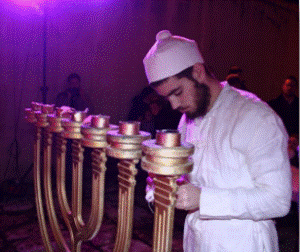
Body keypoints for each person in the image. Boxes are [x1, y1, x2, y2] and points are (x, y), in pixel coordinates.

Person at [143, 30, 292, 252]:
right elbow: (187, 177)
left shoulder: (255, 117)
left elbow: (277, 200)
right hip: (196, 241)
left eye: (177, 92)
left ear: (198, 71)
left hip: (243, 244)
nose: (174, 105)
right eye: (168, 98)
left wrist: (204, 199)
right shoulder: (189, 118)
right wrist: (162, 186)